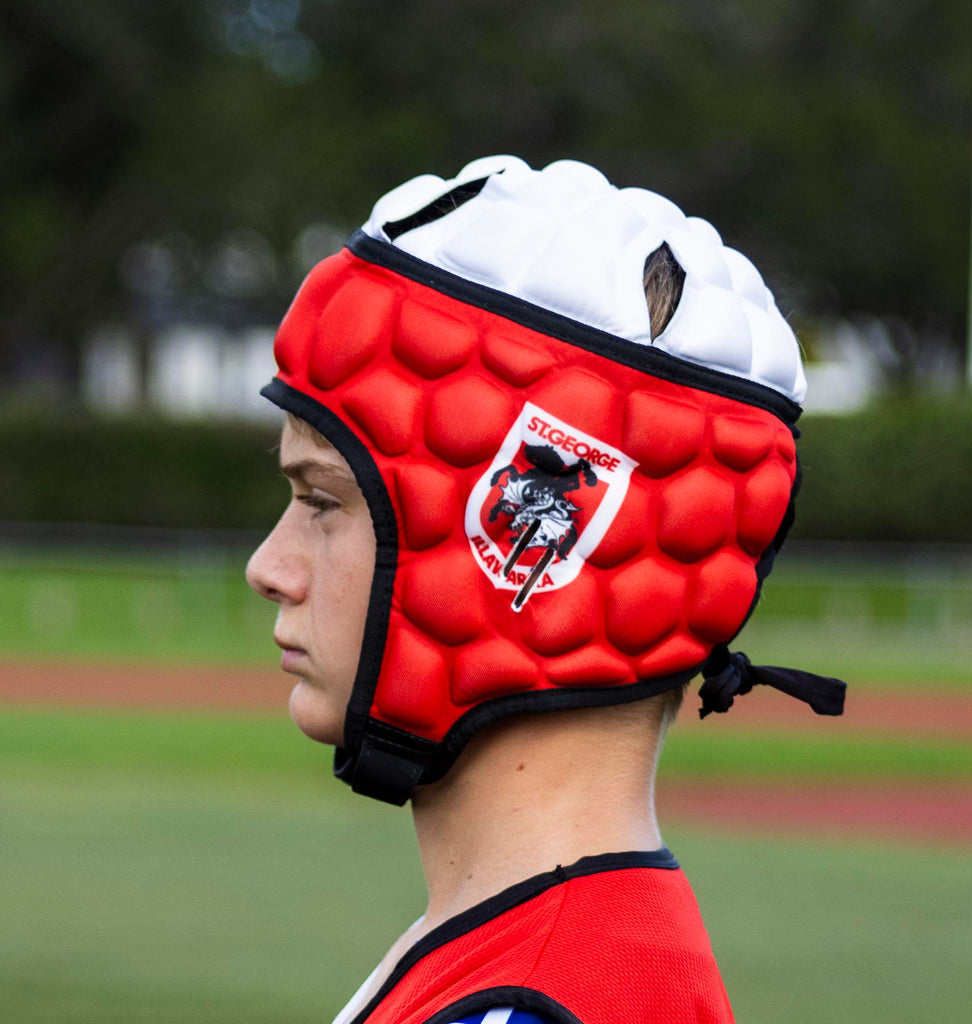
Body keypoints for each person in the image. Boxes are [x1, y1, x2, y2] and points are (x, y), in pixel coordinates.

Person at [246, 156, 846, 1024]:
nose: (270, 566)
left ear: (520, 554)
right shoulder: (559, 951)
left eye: (322, 501)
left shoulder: (530, 1003)